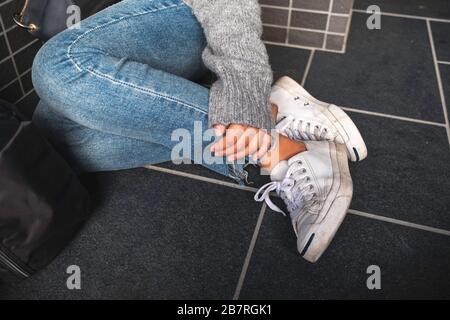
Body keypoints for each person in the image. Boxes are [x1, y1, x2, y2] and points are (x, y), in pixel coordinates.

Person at [31, 0, 367, 262]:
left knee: (58, 66)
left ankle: (277, 152)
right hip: (128, 33)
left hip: (190, 14)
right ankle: (271, 113)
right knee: (52, 134)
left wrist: (242, 88)